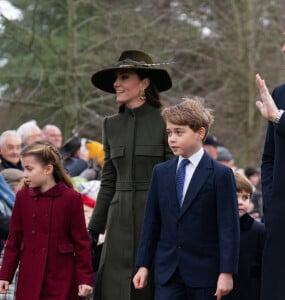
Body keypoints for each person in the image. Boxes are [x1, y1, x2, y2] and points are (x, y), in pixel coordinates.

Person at [133, 98, 240, 300]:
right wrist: (143, 264)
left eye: (179, 132)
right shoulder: (160, 172)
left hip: (205, 274)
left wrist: (227, 272)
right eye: (169, 133)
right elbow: (151, 222)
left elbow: (228, 227)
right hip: (167, 273)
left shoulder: (221, 175)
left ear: (200, 133)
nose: (172, 139)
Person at [88, 49, 173, 300]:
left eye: (124, 77)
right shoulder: (110, 124)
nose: (117, 84)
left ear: (144, 83)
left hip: (154, 216)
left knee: (148, 287)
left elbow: (171, 178)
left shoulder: (166, 121)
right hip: (117, 222)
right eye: (116, 78)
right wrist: (94, 229)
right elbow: (108, 181)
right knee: (113, 287)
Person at [0, 141, 93, 299]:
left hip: (61, 277)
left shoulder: (71, 198)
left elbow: (81, 242)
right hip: (29, 276)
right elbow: (14, 240)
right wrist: (5, 275)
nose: (25, 174)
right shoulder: (22, 198)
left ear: (48, 169)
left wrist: (84, 278)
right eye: (23, 168)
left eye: (29, 169)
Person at [255, 13, 285, 300]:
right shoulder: (280, 95)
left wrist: (281, 119)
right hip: (284, 236)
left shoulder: (278, 109)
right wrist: (272, 206)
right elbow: (269, 160)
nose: (284, 47)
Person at [224, 171, 265, 300]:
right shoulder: (215, 228)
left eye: (245, 197)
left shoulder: (259, 230)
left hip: (250, 292)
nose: (240, 202)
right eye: (235, 196)